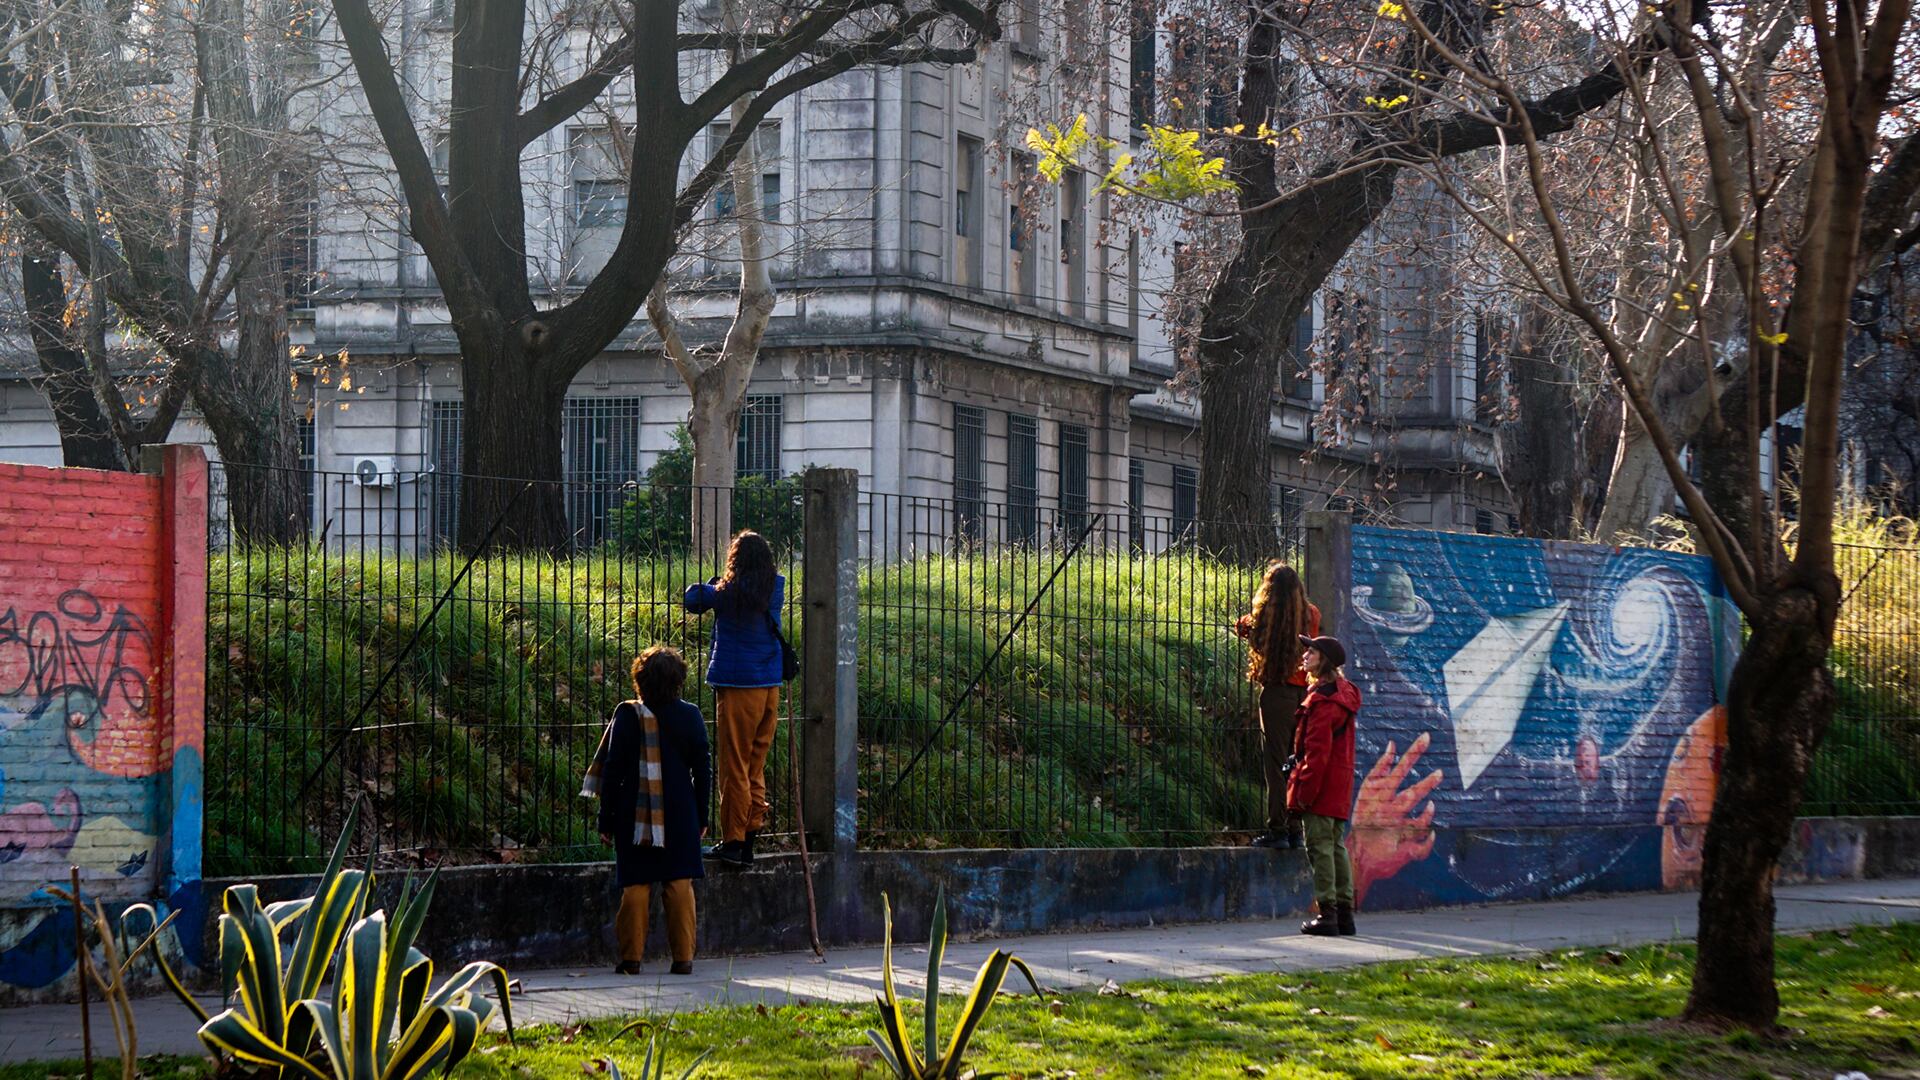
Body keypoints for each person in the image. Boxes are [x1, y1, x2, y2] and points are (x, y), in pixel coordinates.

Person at [581, 645, 712, 974]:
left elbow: (612, 772)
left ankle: (631, 960)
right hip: (681, 812)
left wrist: (606, 818)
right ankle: (683, 960)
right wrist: (702, 815)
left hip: (633, 813)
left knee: (636, 886)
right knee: (680, 884)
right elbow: (703, 769)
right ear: (679, 680)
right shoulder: (691, 715)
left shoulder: (627, 715)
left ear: (639, 679)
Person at [683, 530, 786, 867]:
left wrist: (717, 581)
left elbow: (692, 598)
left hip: (740, 686)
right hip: (770, 685)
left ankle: (732, 842)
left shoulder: (728, 592)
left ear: (735, 560)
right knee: (755, 765)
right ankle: (749, 841)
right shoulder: (774, 588)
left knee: (734, 766)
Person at [1233, 562, 1320, 849]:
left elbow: (1242, 626)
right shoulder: (1311, 615)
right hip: (1305, 696)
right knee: (1296, 762)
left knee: (1275, 762)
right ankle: (1296, 829)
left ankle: (1277, 829)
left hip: (1276, 695)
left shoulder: (1262, 619)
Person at [1288, 634, 1361, 937]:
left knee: (1319, 848)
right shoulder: (1343, 695)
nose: (1305, 656)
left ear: (1324, 660)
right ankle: (1344, 915)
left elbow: (1316, 755)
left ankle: (1327, 914)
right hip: (1339, 782)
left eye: (1312, 652)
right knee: (1335, 847)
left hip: (1320, 785)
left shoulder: (1322, 702)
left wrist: (1303, 793)